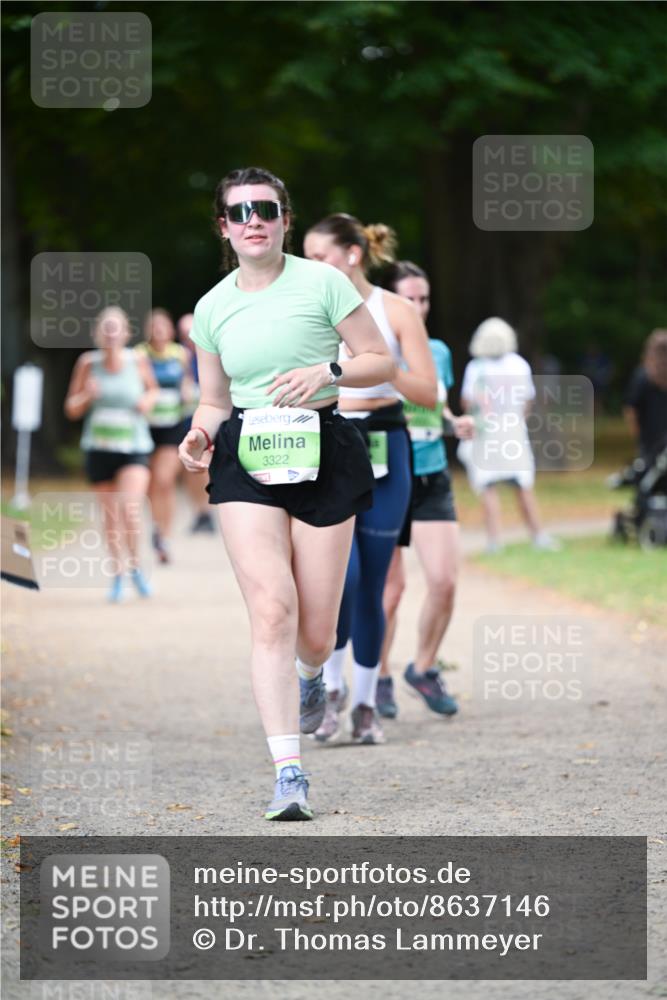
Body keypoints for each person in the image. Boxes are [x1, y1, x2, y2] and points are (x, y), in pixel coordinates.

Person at [178, 167, 394, 821]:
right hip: (247, 454)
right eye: (238, 211)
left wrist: (327, 369)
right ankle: (289, 773)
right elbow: (213, 400)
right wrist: (196, 434)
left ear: (283, 219)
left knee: (316, 630)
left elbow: (378, 360)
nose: (252, 220)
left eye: (263, 209)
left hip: (323, 446)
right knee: (273, 609)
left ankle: (309, 679)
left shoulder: (323, 282)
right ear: (223, 226)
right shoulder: (213, 307)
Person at [304, 217, 436, 746]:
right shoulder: (307, 310)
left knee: (375, 581)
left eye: (319, 257)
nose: (310, 268)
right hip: (332, 439)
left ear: (353, 254)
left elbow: (428, 392)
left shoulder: (396, 309)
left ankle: (364, 704)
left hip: (386, 437)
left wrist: (383, 367)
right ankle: (329, 690)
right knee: (342, 578)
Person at [376, 261, 474, 720]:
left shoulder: (436, 351)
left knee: (444, 580)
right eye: (409, 299)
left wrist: (457, 421)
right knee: (390, 590)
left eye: (424, 299)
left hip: (432, 473)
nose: (418, 307)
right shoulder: (371, 349)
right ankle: (374, 677)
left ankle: (423, 666)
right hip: (388, 474)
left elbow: (438, 404)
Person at [64, 306, 157, 602]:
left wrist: (147, 401)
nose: (110, 333)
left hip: (134, 447)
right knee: (110, 515)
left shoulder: (138, 359)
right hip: (99, 448)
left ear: (126, 333)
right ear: (97, 333)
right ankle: (117, 573)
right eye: (106, 328)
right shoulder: (87, 363)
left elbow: (153, 390)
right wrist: (87, 395)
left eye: (116, 328)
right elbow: (71, 409)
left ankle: (136, 567)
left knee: (130, 509)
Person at [457, 317, 560, 553]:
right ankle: (538, 535)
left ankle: (495, 541)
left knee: (488, 486)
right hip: (513, 431)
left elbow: (467, 401)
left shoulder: (476, 367)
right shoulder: (519, 364)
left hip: (486, 434)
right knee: (522, 485)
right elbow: (527, 402)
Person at [136, 309, 193, 563]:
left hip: (173, 423)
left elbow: (187, 381)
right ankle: (156, 526)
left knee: (165, 480)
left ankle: (165, 537)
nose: (158, 331)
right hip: (145, 425)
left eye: (162, 326)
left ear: (170, 331)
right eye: (153, 326)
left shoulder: (181, 354)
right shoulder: (138, 355)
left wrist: (186, 391)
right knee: (149, 484)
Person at [177, 312, 215, 533]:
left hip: (210, 420)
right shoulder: (179, 357)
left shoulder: (211, 354)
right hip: (184, 419)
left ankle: (207, 511)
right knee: (190, 470)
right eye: (184, 335)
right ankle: (199, 512)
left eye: (190, 334)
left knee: (207, 464)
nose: (188, 339)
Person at [623, 328, 667, 460]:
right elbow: (631, 410)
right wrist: (639, 437)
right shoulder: (642, 377)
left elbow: (629, 410)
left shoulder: (641, 375)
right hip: (649, 441)